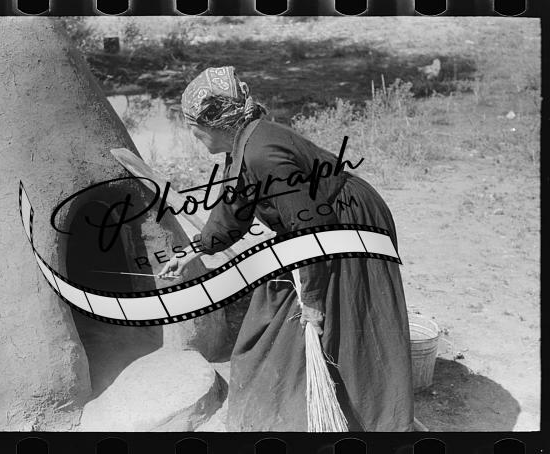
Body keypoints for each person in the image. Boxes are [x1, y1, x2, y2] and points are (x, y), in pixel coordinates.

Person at [158, 66, 414, 432]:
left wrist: (312, 297)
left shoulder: (262, 153)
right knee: (277, 307)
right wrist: (191, 252)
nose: (193, 136)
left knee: (346, 316)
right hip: (316, 226)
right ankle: (293, 403)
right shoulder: (243, 146)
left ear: (213, 121)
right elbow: (233, 210)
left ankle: (372, 417)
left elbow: (311, 229)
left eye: (193, 127)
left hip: (347, 224)